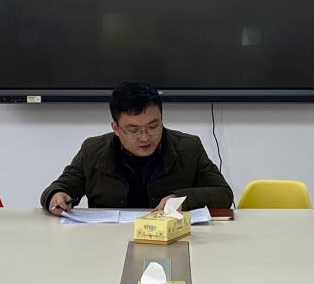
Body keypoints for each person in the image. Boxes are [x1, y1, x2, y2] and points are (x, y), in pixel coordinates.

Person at [42, 81, 233, 214]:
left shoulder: (188, 147)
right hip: (106, 241)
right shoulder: (93, 150)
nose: (145, 137)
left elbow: (223, 193)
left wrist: (180, 198)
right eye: (133, 130)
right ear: (116, 128)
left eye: (153, 126)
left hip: (170, 238)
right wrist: (56, 197)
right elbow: (59, 188)